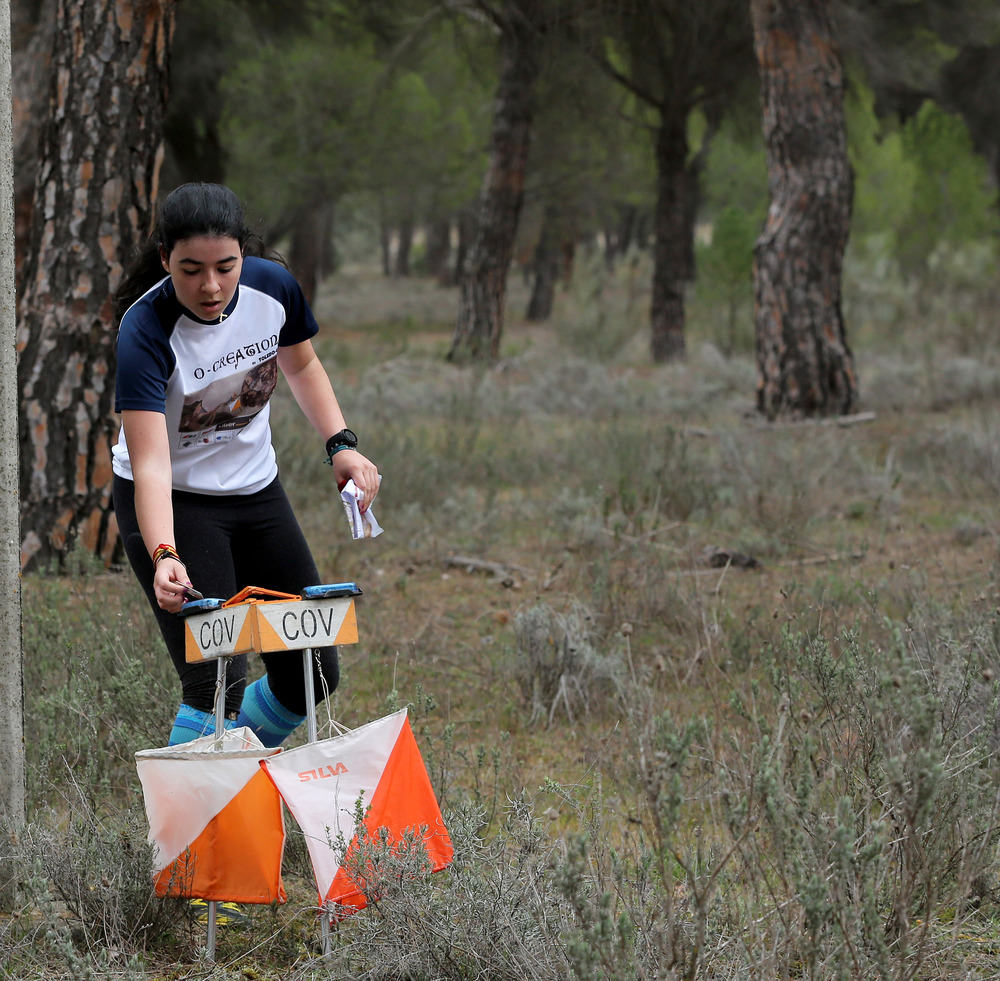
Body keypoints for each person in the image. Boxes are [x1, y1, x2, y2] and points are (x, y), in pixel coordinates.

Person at [112, 182, 379, 748]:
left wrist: (341, 444)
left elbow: (303, 368)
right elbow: (153, 465)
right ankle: (193, 830)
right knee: (217, 680)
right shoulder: (144, 330)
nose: (210, 286)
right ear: (164, 259)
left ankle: (238, 776)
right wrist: (165, 554)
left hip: (256, 492)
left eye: (225, 266)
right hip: (174, 501)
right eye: (190, 269)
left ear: (244, 255)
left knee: (312, 675)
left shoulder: (272, 287)